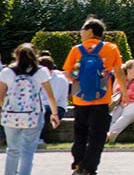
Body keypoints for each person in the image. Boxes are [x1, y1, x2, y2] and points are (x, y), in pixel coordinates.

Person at [62, 17, 125, 175]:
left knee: (80, 133)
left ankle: (77, 163)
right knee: (97, 136)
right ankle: (89, 168)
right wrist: (124, 93)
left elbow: (67, 73)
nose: (80, 33)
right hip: (101, 99)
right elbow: (118, 72)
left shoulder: (76, 50)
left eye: (82, 30)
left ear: (90, 31)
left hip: (80, 99)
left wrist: (78, 82)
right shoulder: (111, 48)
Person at [1, 43, 59, 175]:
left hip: (11, 115)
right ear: (35, 56)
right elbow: (50, 96)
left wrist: (9, 109)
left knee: (12, 150)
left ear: (16, 55)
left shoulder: (7, 72)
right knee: (28, 151)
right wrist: (54, 113)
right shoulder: (41, 71)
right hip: (33, 114)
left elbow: (0, 97)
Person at [37, 55, 68, 144]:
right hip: (43, 104)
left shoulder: (59, 79)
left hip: (57, 107)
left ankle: (40, 138)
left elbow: (53, 98)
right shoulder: (40, 78)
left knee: (41, 111)